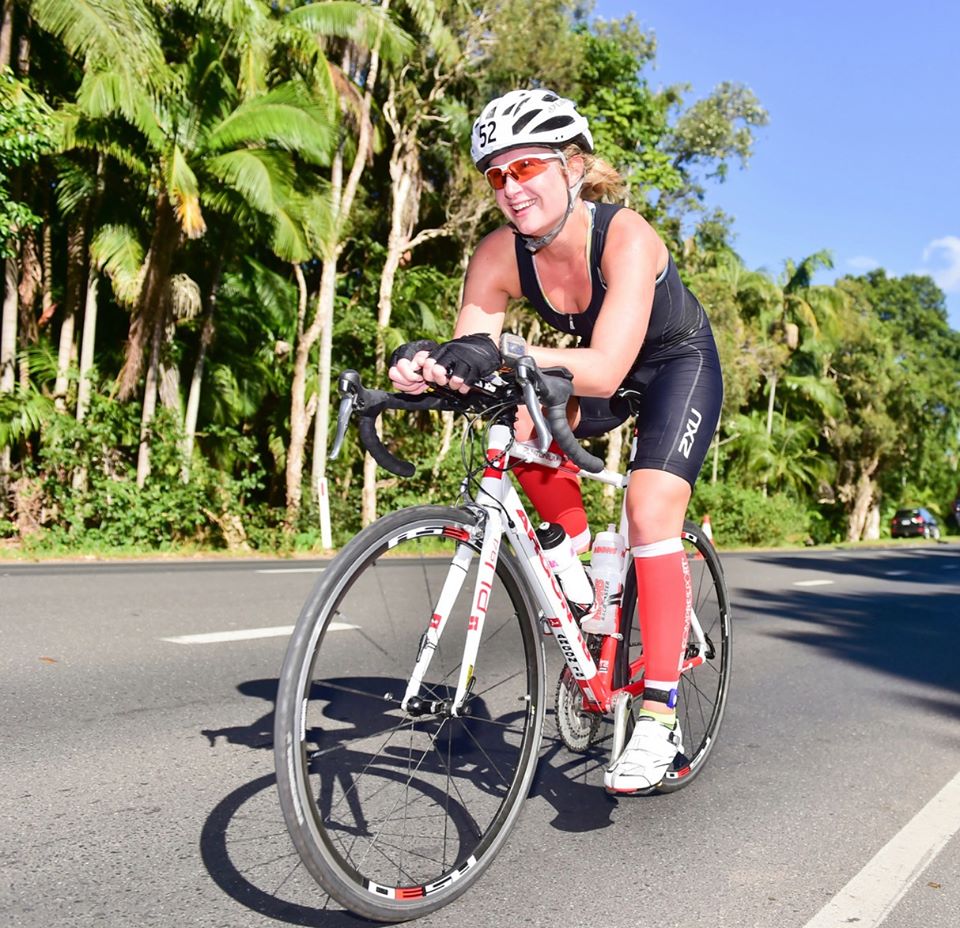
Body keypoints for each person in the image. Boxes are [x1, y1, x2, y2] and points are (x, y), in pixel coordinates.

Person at [388, 88, 723, 793]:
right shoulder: (498, 255)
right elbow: (476, 360)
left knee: (648, 506)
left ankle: (659, 719)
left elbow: (602, 371)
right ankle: (565, 544)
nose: (511, 189)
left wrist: (499, 350)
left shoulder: (626, 237)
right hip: (591, 371)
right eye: (496, 176)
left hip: (670, 367)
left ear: (573, 167)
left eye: (528, 168)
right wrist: (430, 369)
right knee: (510, 420)